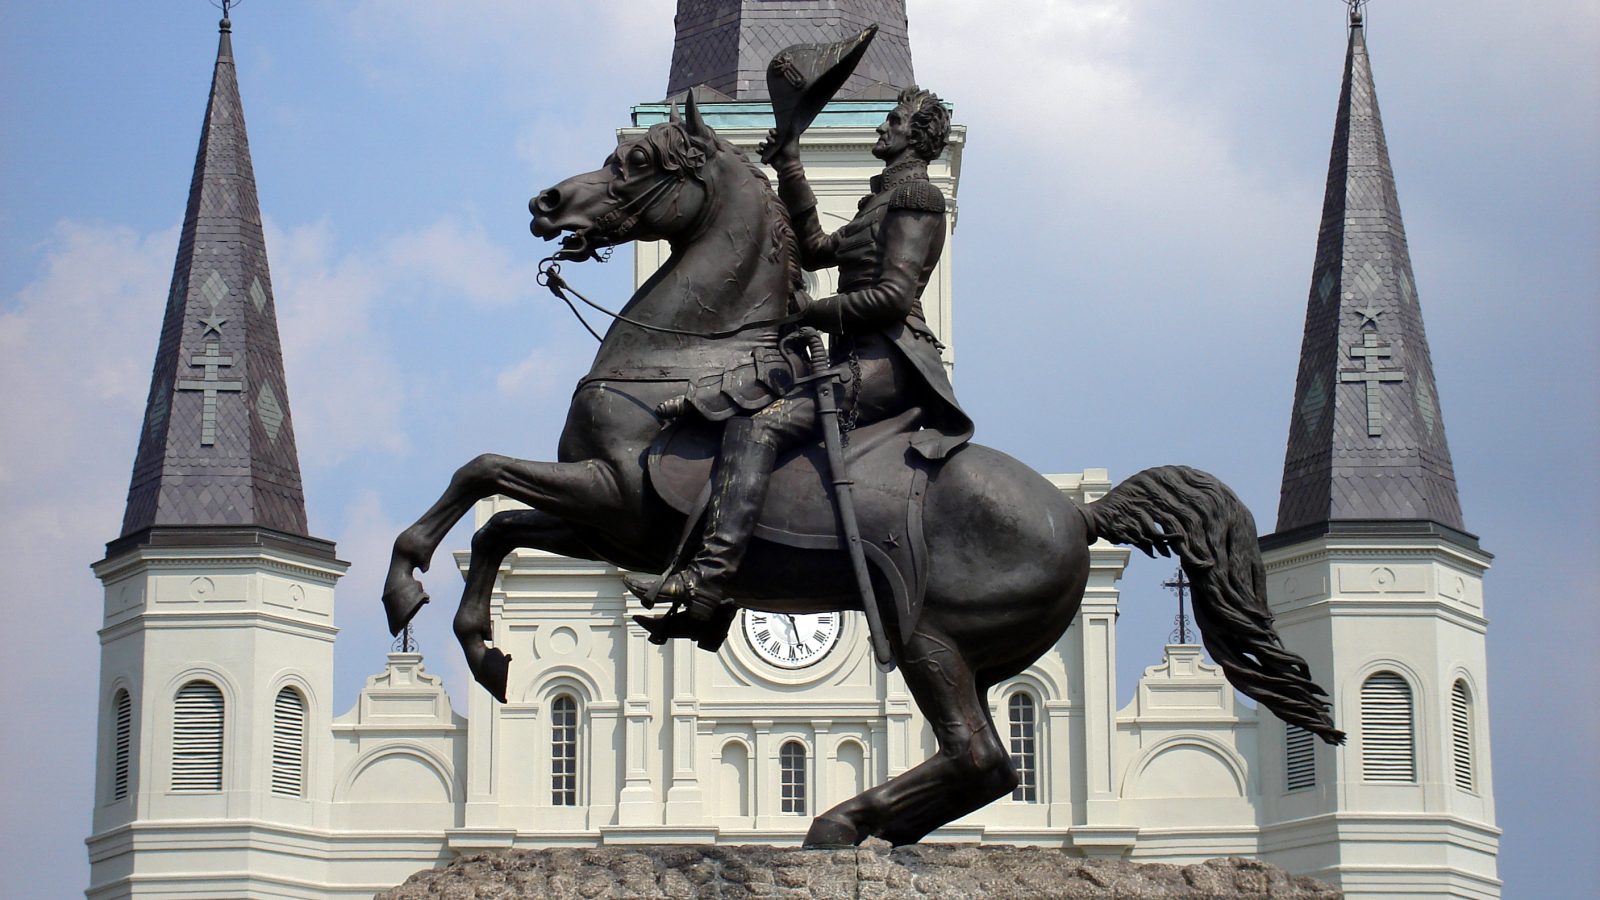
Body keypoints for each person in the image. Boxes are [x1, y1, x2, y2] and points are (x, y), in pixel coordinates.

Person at [625, 86, 974, 649]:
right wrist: (789, 164)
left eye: (894, 120)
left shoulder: (918, 198)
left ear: (918, 135)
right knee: (748, 394)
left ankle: (710, 580)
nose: (883, 127)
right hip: (852, 356)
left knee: (757, 427)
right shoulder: (881, 200)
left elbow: (891, 297)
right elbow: (813, 248)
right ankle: (720, 591)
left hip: (885, 361)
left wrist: (812, 310)